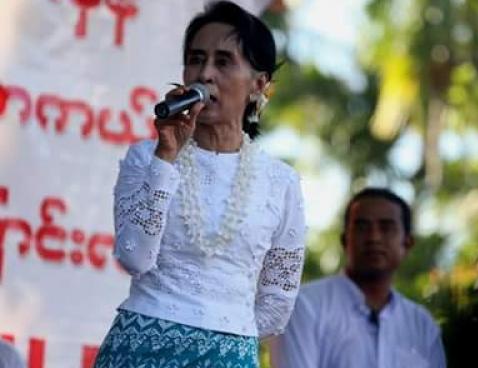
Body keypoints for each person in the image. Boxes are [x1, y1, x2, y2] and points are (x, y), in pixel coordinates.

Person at [93, 2, 306, 367]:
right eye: (196, 59)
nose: (205, 73)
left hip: (229, 353)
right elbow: (133, 257)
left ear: (259, 85)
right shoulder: (146, 157)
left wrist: (222, 332)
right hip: (138, 348)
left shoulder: (281, 182)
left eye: (223, 62)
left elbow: (277, 302)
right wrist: (166, 157)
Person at [270, 188, 446, 368]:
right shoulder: (304, 307)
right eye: (362, 227)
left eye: (386, 227)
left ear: (407, 243)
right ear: (345, 240)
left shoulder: (422, 324)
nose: (374, 237)